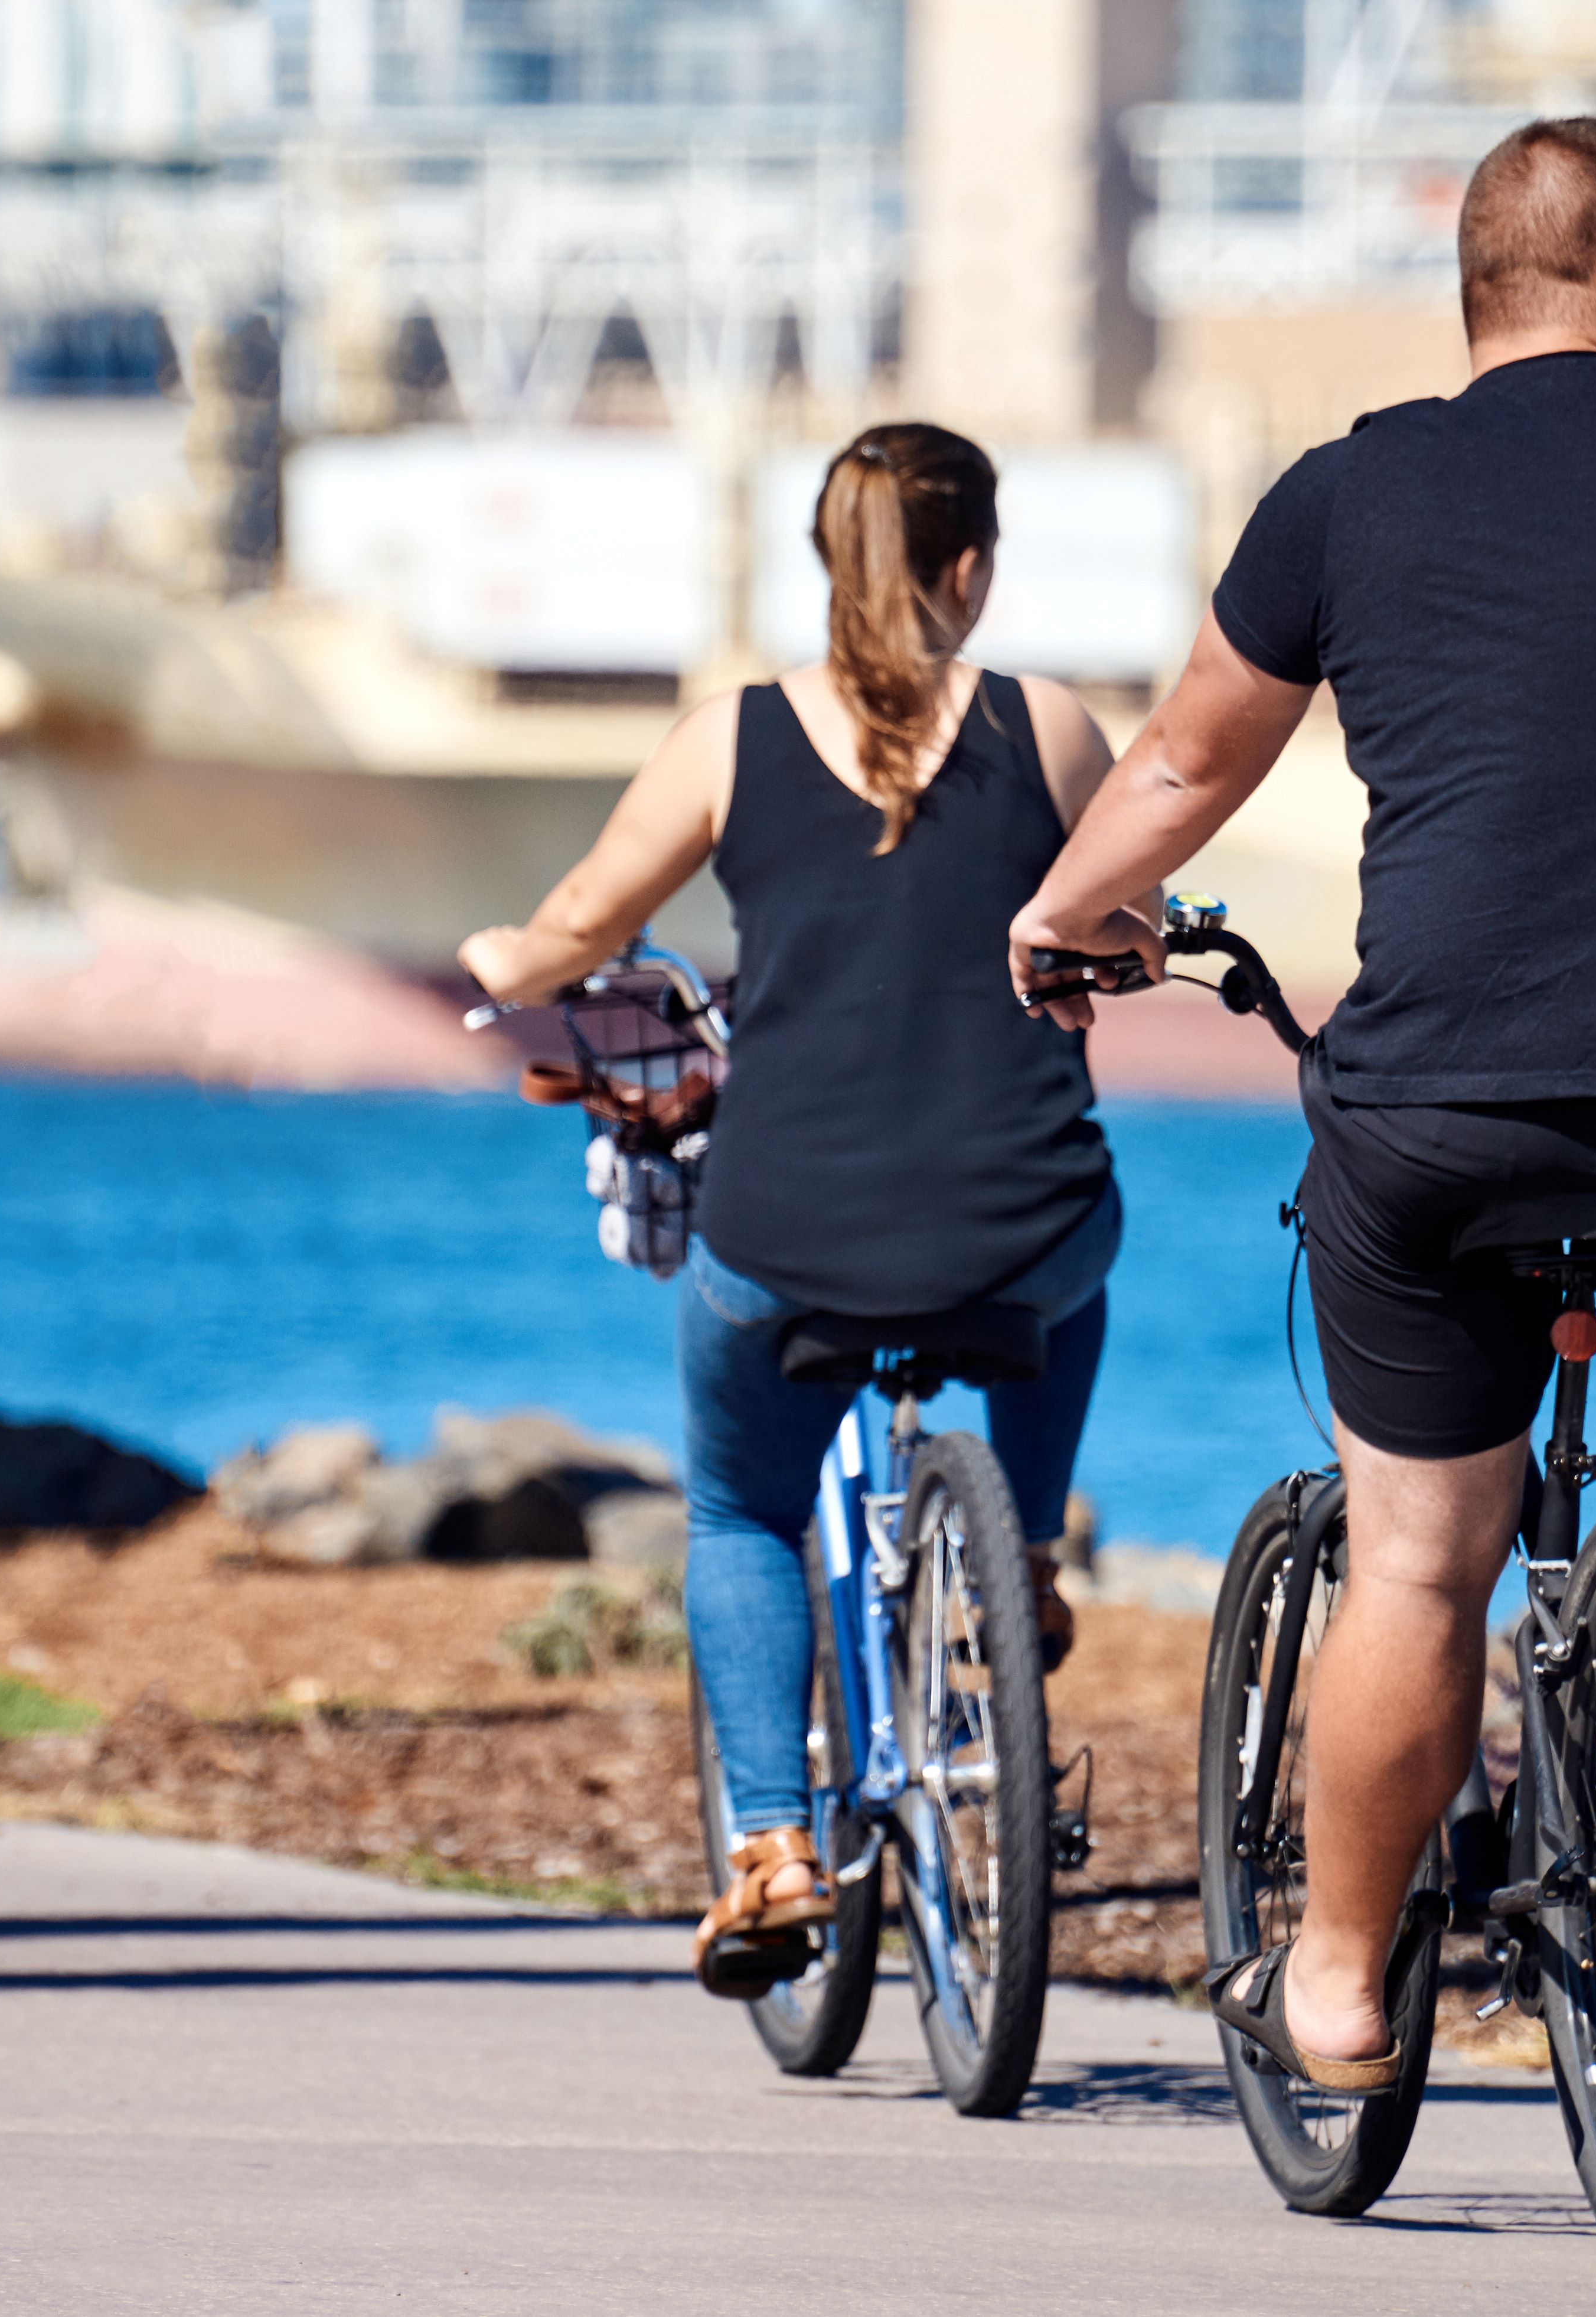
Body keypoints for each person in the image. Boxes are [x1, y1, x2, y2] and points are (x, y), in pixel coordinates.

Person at [1006, 117, 1596, 2089]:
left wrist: (1060, 912)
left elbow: (1175, 761)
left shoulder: (1343, 495)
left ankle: (1330, 1978)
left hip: (1437, 1110)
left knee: (1413, 1554)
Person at [461, 422, 1151, 1998]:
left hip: (787, 1234)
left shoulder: (731, 736)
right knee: (1076, 1258)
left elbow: (575, 927)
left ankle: (770, 1842)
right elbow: (1135, 923)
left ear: (822, 565)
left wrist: (507, 960)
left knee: (735, 1508)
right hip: (1017, 1222)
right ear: (970, 565)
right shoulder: (1050, 725)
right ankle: (1029, 1546)